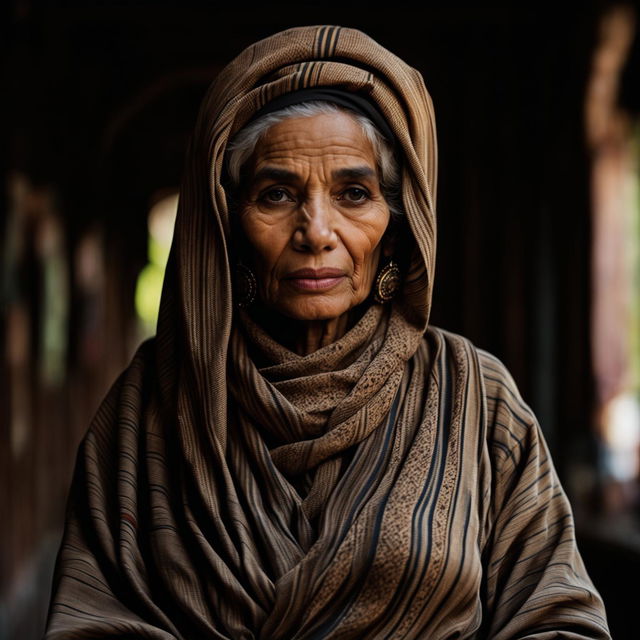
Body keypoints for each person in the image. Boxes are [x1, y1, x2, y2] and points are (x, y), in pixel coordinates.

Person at [44, 25, 610, 639]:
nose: (316, 230)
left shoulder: (473, 397)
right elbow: (90, 620)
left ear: (396, 224)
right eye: (277, 193)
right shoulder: (147, 408)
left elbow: (559, 617)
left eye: (354, 193)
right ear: (227, 223)